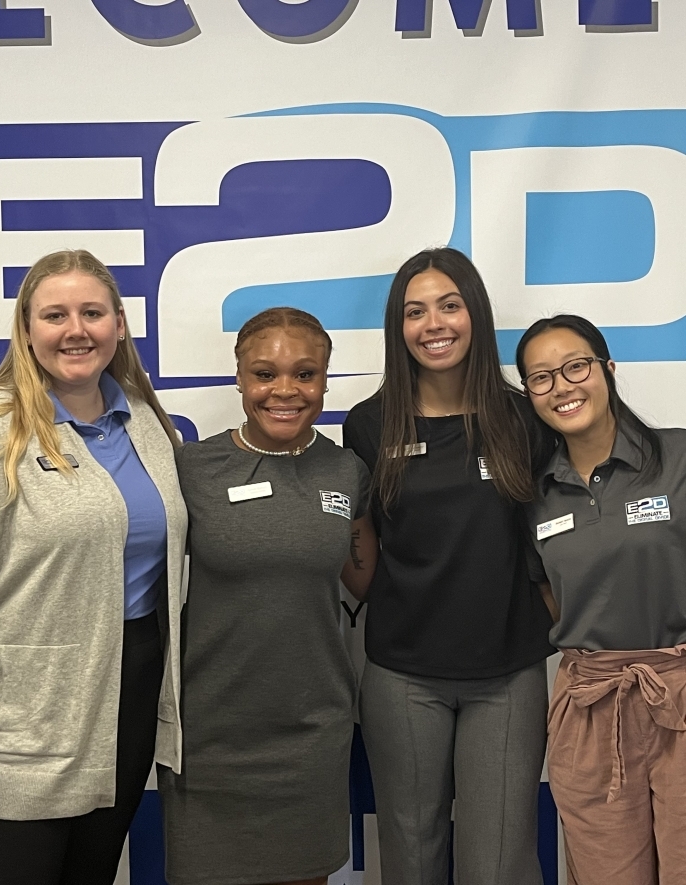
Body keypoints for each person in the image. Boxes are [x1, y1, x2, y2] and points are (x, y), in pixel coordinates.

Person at [0, 249, 188, 885]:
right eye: (55, 315)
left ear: (120, 324)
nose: (76, 329)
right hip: (13, 726)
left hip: (123, 707)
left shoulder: (146, 423)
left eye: (92, 312)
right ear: (27, 329)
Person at [342, 247, 555, 885]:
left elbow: (551, 536)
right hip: (403, 675)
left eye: (449, 305)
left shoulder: (523, 417)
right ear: (397, 327)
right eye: (415, 311)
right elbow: (361, 545)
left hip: (507, 674)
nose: (434, 323)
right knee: (410, 856)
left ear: (476, 315)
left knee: (498, 861)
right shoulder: (370, 424)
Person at [159, 307, 378, 885]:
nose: (285, 390)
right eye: (265, 374)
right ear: (239, 378)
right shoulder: (191, 469)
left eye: (305, 374)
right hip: (211, 737)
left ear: (326, 380)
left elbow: (372, 580)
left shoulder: (347, 472)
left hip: (311, 733)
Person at [517, 314, 686, 885]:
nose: (562, 386)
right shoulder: (535, 496)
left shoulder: (679, 459)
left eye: (575, 366)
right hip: (591, 708)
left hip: (680, 693)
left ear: (607, 370)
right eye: (541, 378)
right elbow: (550, 594)